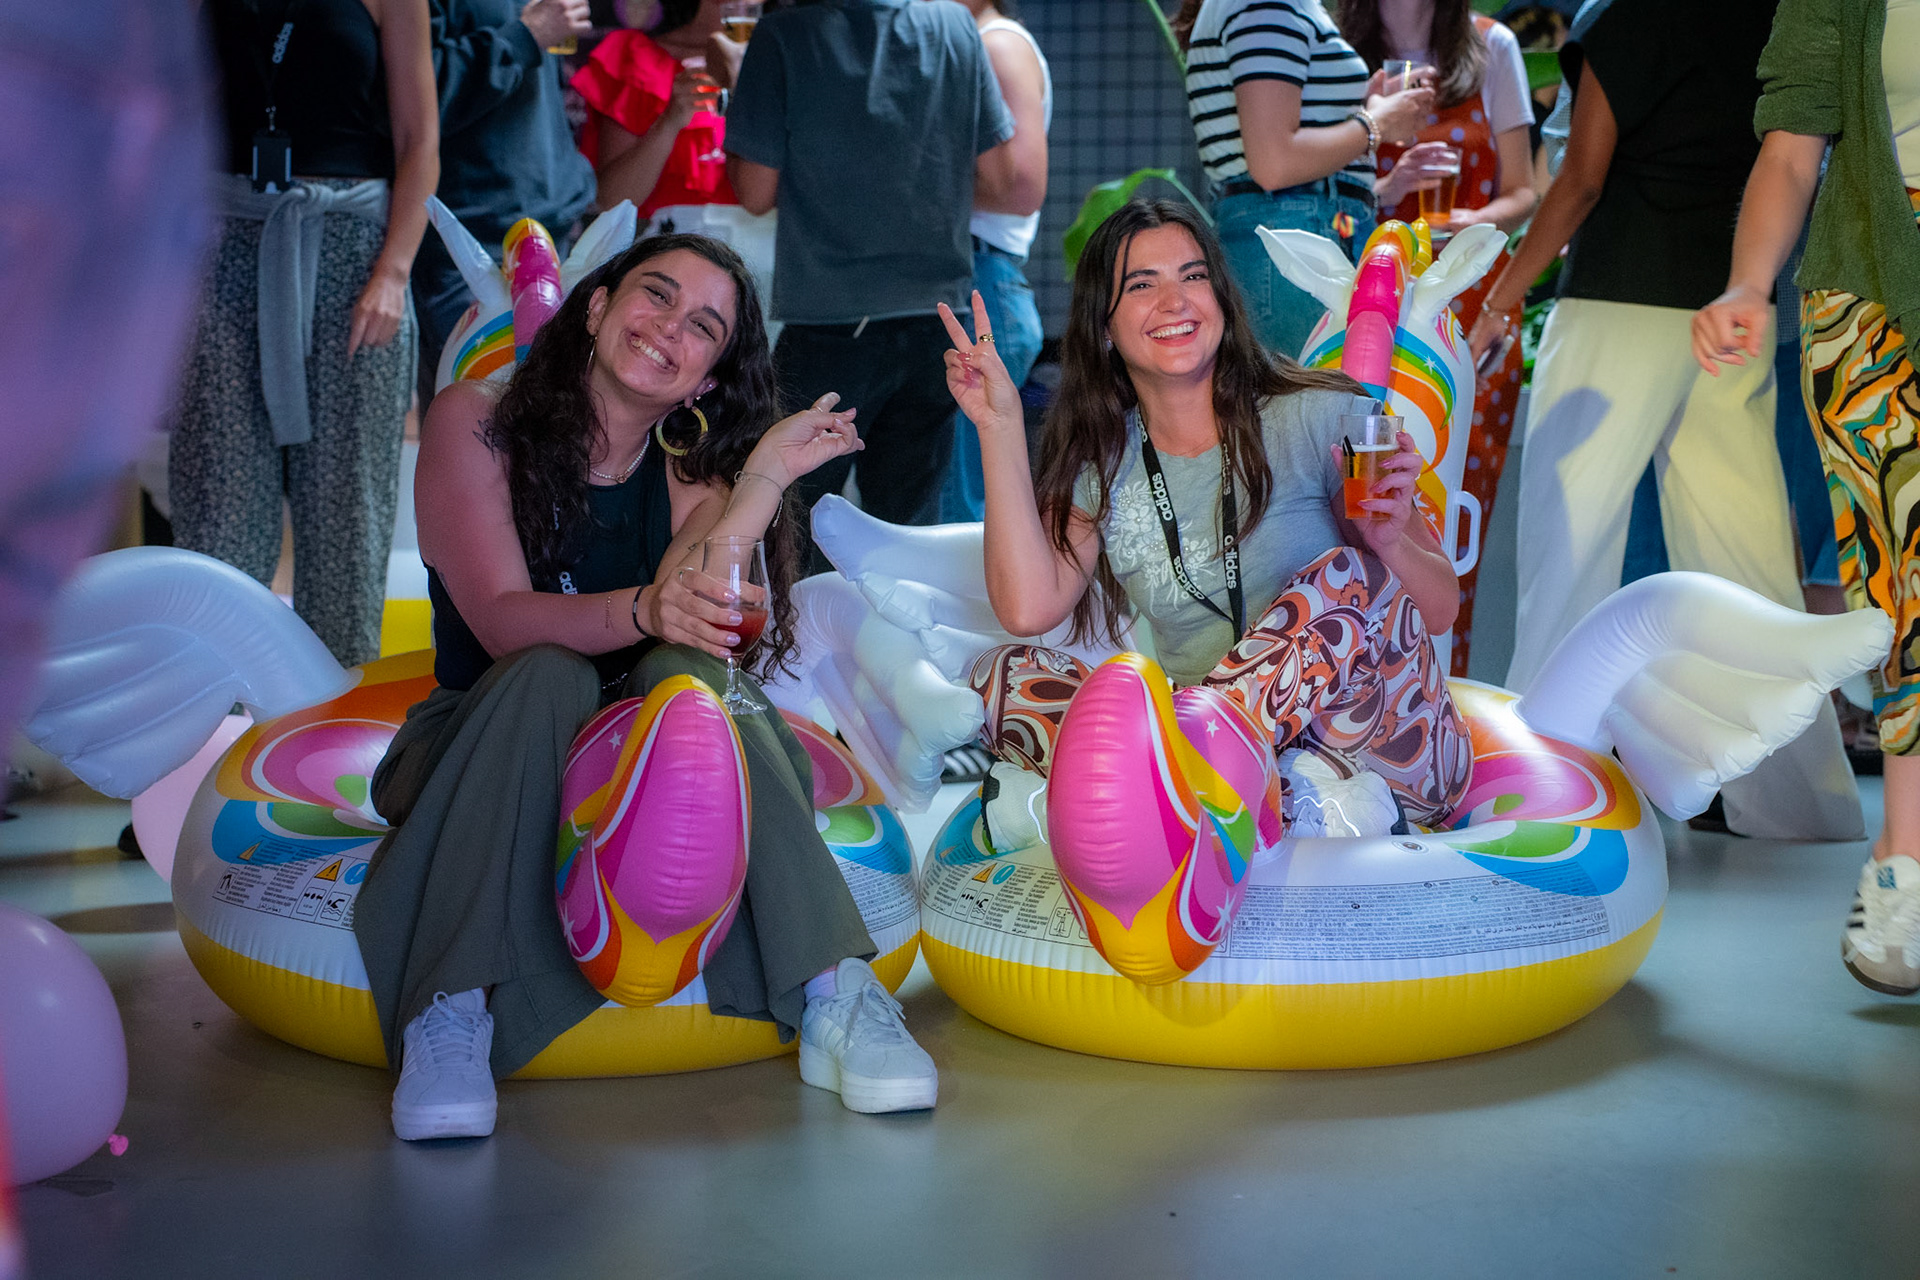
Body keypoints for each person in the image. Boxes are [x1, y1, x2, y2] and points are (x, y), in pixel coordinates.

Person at [354, 234, 939, 1140]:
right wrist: (645, 608)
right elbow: (504, 621)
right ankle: (451, 1006)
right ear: (595, 307)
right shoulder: (475, 420)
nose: (670, 327)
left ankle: (837, 990)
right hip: (481, 743)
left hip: (636, 766)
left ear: (707, 378)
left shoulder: (687, 470)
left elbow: (698, 613)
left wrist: (761, 479)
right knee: (547, 671)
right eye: (656, 295)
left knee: (688, 672)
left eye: (703, 326)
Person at [940, 198, 1472, 863]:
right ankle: (1223, 789)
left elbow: (1440, 610)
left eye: (1193, 276)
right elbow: (1027, 609)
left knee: (1345, 575)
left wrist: (1388, 538)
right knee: (1001, 676)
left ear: (1220, 298)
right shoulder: (1103, 461)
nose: (1176, 301)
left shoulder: (1326, 411)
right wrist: (997, 425)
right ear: (1104, 326)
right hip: (1243, 760)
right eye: (1142, 284)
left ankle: (1177, 783)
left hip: (1388, 749)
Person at [1468, 0, 1862, 840]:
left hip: (1618, 298)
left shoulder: (1625, 15)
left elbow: (1581, 179)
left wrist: (1501, 300)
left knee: (1568, 554)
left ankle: (1530, 795)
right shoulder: (1771, 19)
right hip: (1727, 303)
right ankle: (1799, 809)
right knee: (1748, 565)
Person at [1690, 0, 1920, 990]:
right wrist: (1749, 283)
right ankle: (1906, 864)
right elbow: (1792, 144)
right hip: (1875, 290)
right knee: (1904, 574)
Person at [172, 0, 438, 666]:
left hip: (354, 258)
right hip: (223, 246)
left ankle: (334, 705)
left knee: (349, 509)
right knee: (218, 502)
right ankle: (208, 699)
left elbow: (420, 142)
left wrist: (393, 273)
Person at [720, 0, 1023, 566]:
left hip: (831, 319)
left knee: (789, 530)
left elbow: (754, 192)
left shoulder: (783, 33)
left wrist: (741, 90)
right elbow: (1003, 178)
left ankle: (795, 628)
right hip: (938, 322)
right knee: (907, 541)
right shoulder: (956, 25)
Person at [1341, 0, 1538, 675]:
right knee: (1355, 505)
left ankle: (1445, 693)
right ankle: (1355, 690)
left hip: (1469, 311)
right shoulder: (1338, 49)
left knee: (1456, 516)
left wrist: (1464, 223)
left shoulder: (1492, 45)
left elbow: (1524, 192)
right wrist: (1388, 186)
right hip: (1371, 308)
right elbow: (1324, 185)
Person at [1171, 0, 1435, 356]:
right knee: (1311, 387)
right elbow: (1274, 164)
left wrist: (1367, 127)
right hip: (1295, 232)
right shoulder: (1268, 3)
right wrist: (1377, 123)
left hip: (1301, 226)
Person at [410, 0, 597, 407]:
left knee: (556, 425)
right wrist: (524, 37)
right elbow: (414, 101)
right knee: (473, 426)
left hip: (558, 238)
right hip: (467, 251)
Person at [570, 0, 780, 320]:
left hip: (766, 273)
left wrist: (746, 88)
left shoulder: (787, 60)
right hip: (665, 275)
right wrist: (669, 122)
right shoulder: (636, 55)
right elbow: (611, 201)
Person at [938, 0, 1050, 525]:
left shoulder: (996, 44)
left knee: (961, 512)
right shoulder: (975, 41)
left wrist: (902, 186)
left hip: (978, 284)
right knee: (955, 503)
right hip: (974, 280)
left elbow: (1021, 186)